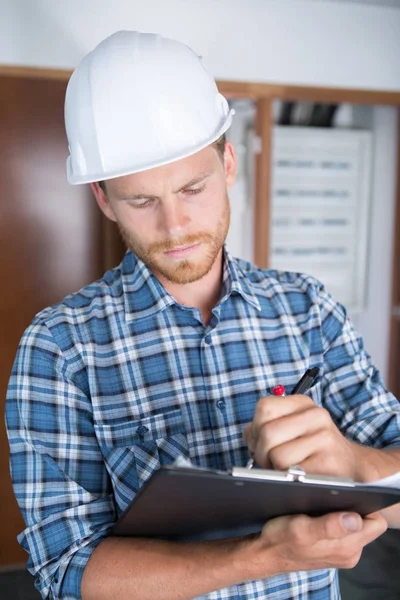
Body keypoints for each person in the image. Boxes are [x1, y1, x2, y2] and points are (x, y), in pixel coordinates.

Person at [5, 30, 400, 600]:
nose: (175, 227)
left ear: (229, 163)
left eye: (193, 187)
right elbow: (66, 571)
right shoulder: (60, 349)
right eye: (142, 201)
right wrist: (265, 555)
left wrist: (353, 463)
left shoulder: (308, 310)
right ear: (103, 198)